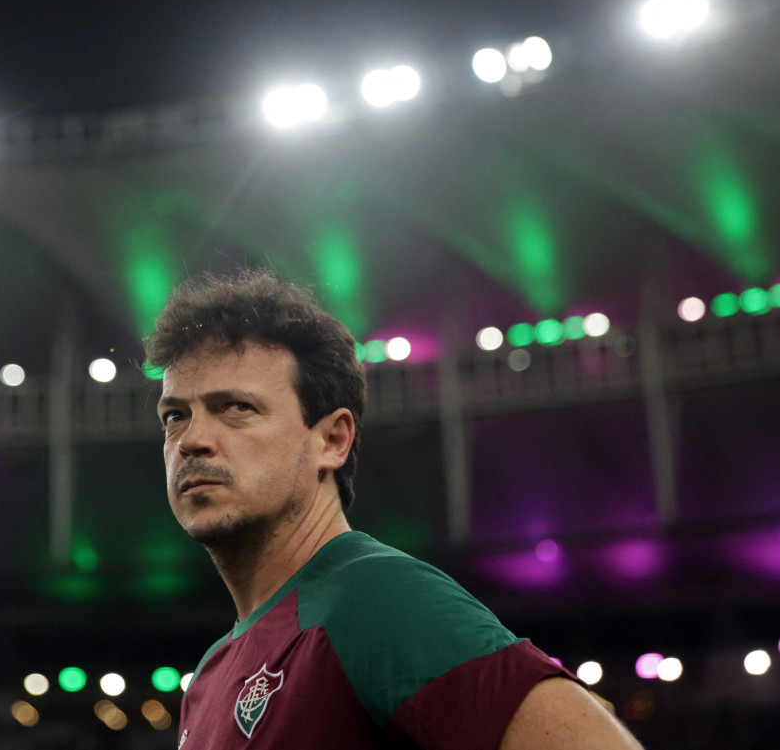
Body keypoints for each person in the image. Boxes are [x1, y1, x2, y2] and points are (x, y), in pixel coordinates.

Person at [145, 269, 643, 749]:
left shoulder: (375, 599)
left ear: (332, 440)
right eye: (175, 415)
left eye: (236, 408)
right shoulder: (211, 672)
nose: (192, 440)